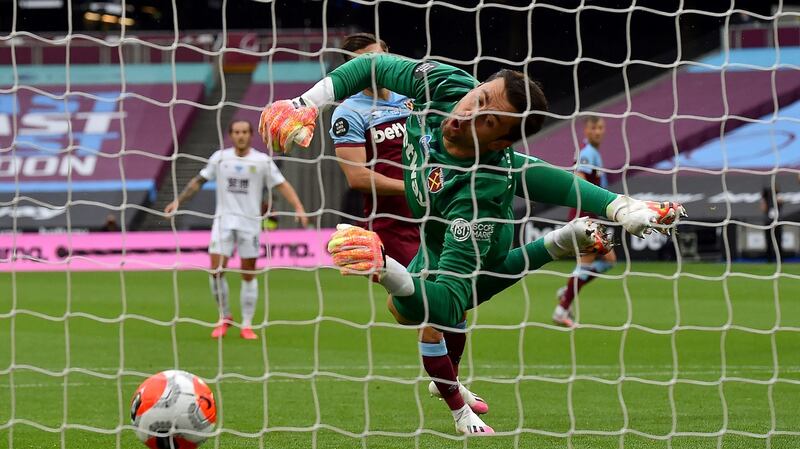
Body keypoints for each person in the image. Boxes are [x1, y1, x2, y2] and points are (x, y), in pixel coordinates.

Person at [259, 54, 685, 435]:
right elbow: (371, 66)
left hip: (478, 243)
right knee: (401, 311)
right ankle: (592, 222)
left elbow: (446, 302)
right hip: (432, 232)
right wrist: (304, 103)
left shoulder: (480, 195)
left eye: (488, 120)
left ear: (498, 142)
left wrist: (386, 267)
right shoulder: (448, 86)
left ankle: (556, 245)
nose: (468, 113)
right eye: (479, 98)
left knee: (428, 311)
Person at [329, 33, 488, 416]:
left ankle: (448, 381)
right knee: (431, 309)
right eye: (361, 62)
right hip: (394, 224)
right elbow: (356, 177)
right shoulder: (349, 113)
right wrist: (415, 187)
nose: (373, 67)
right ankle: (459, 410)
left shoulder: (413, 98)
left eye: (377, 57)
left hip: (438, 215)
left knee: (455, 304)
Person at [165, 120, 309, 340]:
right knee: (216, 271)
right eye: (236, 132)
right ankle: (225, 316)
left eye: (244, 132)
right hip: (223, 222)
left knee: (248, 273)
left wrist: (298, 207)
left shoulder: (262, 161)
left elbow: (282, 184)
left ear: (251, 135)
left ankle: (247, 324)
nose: (240, 135)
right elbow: (198, 181)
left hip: (250, 224)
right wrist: (178, 201)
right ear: (231, 135)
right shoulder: (220, 158)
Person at [552, 116, 617, 327]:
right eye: (593, 128)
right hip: (584, 217)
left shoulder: (592, 152)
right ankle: (562, 309)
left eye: (600, 127)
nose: (598, 131)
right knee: (587, 262)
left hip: (590, 217)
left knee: (609, 260)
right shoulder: (587, 153)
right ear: (586, 131)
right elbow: (580, 181)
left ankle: (569, 289)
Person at [761, 186, 783, 261]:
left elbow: (781, 201)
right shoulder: (766, 198)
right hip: (768, 222)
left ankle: (780, 258)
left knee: (778, 241)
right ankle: (769, 259)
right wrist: (764, 199)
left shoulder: (778, 195)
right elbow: (763, 208)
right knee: (768, 241)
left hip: (777, 222)